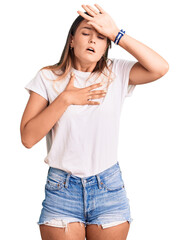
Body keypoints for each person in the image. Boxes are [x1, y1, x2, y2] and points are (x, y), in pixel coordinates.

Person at [20, 3, 169, 240]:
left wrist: (117, 33)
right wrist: (66, 99)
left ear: (106, 47)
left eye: (101, 37)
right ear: (71, 40)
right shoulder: (47, 77)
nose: (92, 41)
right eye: (86, 34)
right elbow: (28, 138)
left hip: (107, 187)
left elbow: (160, 68)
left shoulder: (116, 72)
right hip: (62, 189)